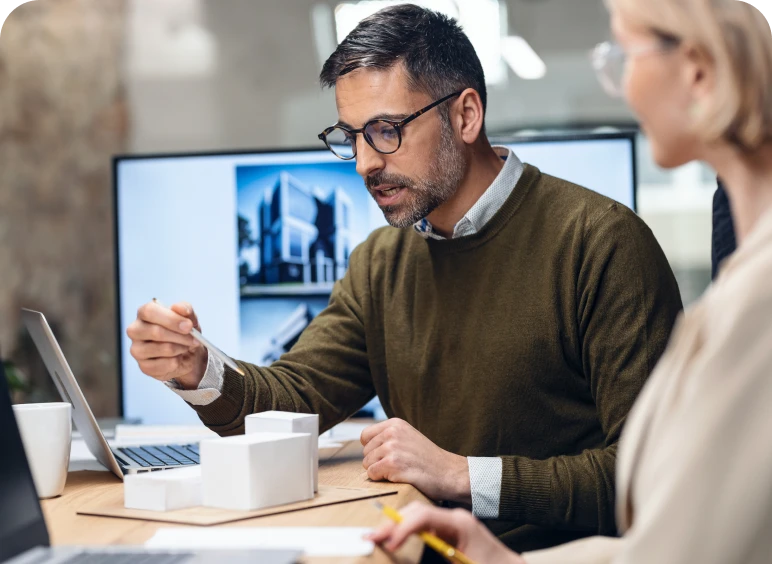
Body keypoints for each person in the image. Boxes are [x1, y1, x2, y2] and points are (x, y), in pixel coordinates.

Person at [125, 4, 682, 552]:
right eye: (352, 136)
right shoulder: (382, 261)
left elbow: (652, 474)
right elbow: (294, 399)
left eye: (385, 130)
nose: (365, 162)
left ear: (465, 116)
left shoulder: (602, 242)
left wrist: (462, 475)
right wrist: (198, 367)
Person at [368, 1, 772, 562]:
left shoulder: (747, 296)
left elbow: (678, 539)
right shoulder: (742, 256)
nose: (620, 87)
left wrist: (464, 478)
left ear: (698, 70)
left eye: (623, 55)